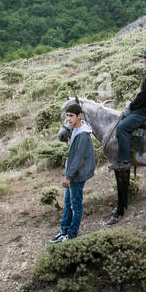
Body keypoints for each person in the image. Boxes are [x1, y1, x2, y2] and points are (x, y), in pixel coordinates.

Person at [108, 48, 146, 224]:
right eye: (144, 58)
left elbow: (143, 96)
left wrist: (131, 105)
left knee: (122, 127)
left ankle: (124, 161)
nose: (145, 61)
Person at [53, 101, 96, 243]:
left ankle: (71, 234)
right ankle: (63, 231)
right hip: (72, 174)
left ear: (80, 116)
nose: (68, 119)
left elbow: (79, 160)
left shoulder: (83, 134)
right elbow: (74, 152)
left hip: (76, 176)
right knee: (67, 203)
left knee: (75, 206)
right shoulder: (76, 130)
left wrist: (68, 177)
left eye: (71, 116)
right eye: (67, 116)